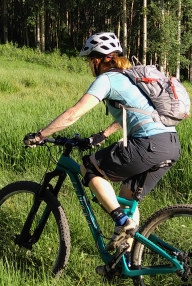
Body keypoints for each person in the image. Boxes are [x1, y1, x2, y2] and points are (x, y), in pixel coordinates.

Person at [24, 32, 181, 254]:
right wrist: (104, 134)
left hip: (148, 143)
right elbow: (136, 112)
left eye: (89, 60)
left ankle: (121, 222)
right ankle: (126, 259)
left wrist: (40, 135)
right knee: (127, 200)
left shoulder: (107, 79)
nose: (89, 65)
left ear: (98, 60)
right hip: (170, 143)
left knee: (89, 166)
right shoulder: (130, 78)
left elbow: (73, 114)